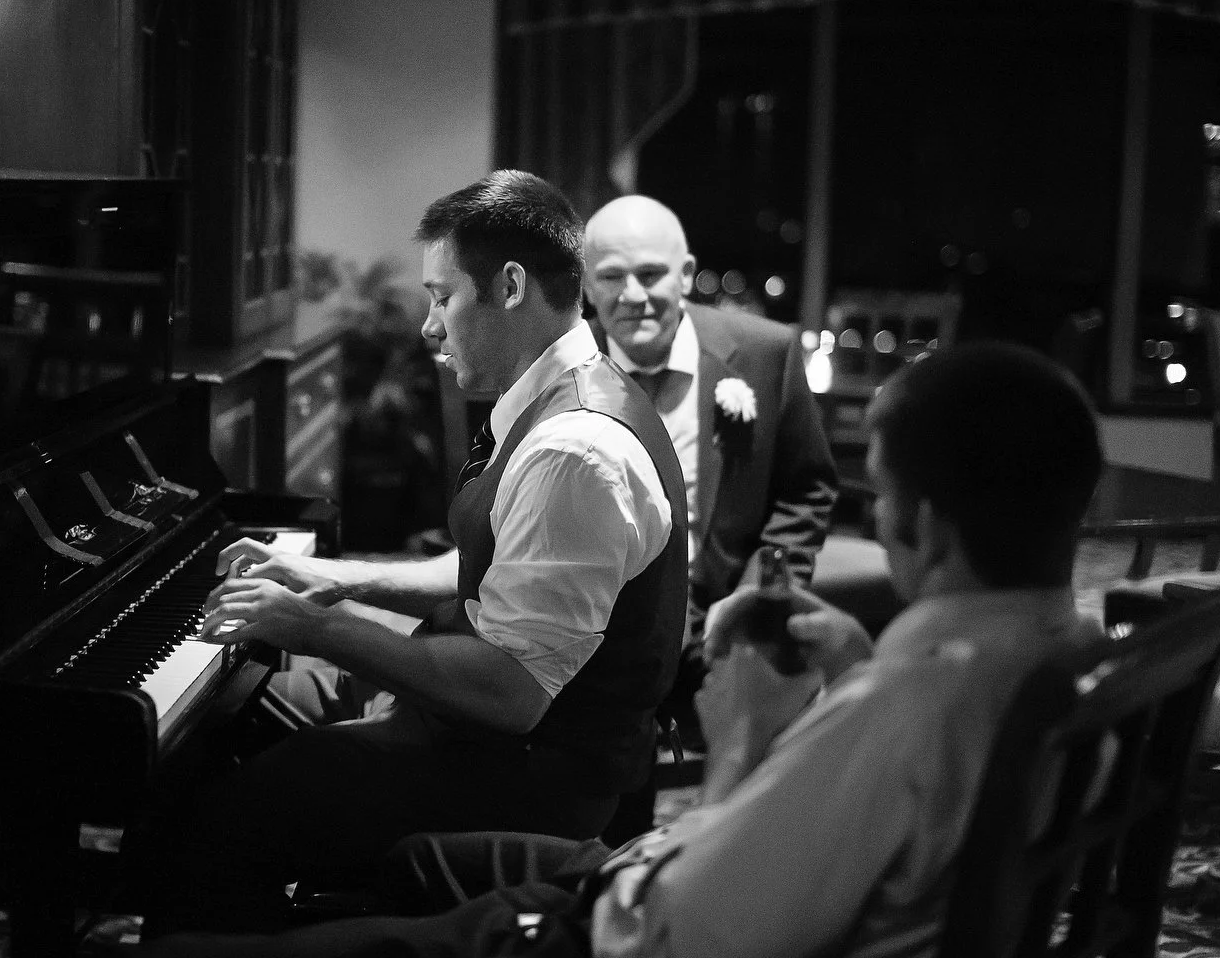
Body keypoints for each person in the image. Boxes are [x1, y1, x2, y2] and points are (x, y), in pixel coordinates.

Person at [125, 340, 1108, 958]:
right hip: (647, 859)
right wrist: (855, 664)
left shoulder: (905, 712)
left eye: (881, 499)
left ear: (926, 529)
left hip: (618, 922)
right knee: (423, 860)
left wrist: (738, 741)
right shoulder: (1062, 654)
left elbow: (678, 929)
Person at [134, 169, 689, 934]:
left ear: (512, 287)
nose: (428, 325)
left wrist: (312, 625)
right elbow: (484, 570)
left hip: (525, 776)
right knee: (239, 713)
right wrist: (322, 577)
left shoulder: (576, 450)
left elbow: (509, 692)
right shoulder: (560, 397)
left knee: (226, 815)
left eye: (442, 296)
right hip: (481, 731)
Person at [582, 194, 838, 726]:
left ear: (685, 274)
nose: (633, 296)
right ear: (585, 284)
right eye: (611, 277)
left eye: (651, 274)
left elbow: (806, 491)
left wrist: (754, 601)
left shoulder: (767, 352)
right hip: (591, 629)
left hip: (725, 618)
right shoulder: (562, 366)